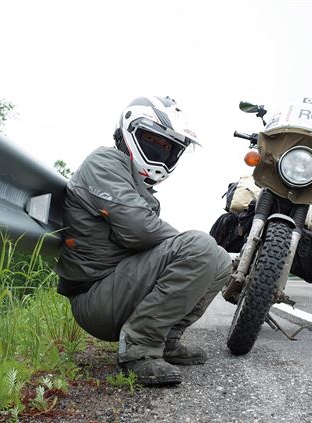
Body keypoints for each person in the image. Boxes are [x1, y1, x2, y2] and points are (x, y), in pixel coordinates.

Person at [54, 96, 232, 386]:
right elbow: (139, 230)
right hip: (95, 297)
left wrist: (204, 256)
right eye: (153, 140)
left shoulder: (134, 182)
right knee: (201, 247)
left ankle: (165, 342)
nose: (161, 151)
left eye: (168, 147)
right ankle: (138, 350)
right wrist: (195, 252)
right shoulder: (105, 162)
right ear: (131, 131)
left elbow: (144, 237)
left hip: (116, 288)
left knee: (220, 259)